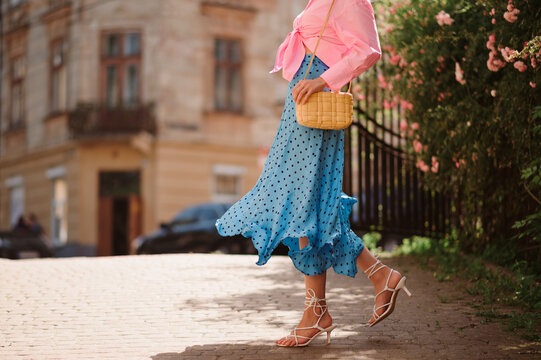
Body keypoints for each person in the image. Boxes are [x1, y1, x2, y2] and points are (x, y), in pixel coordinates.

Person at [215, 0, 412, 347]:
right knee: (311, 200)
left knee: (303, 200)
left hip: (316, 97)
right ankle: (361, 284)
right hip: (304, 98)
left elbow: (368, 51)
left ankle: (323, 307)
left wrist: (322, 80)